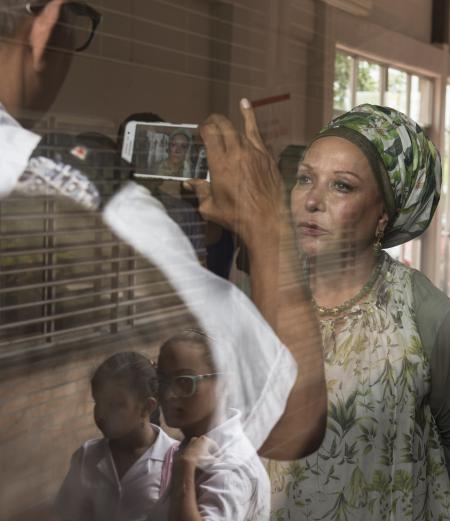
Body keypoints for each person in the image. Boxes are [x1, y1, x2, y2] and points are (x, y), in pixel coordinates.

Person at [235, 103, 449, 520]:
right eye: (305, 179)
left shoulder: (424, 316)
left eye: (342, 186)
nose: (312, 201)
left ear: (383, 215)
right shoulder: (266, 292)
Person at [149, 329, 270, 520]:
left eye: (184, 381)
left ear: (225, 383)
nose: (168, 394)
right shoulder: (193, 446)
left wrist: (184, 470)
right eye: (162, 381)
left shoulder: (229, 469)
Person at [56, 352, 177, 521]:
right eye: (98, 402)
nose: (102, 414)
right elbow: (68, 514)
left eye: (116, 404)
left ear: (146, 407)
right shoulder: (86, 456)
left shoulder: (176, 462)